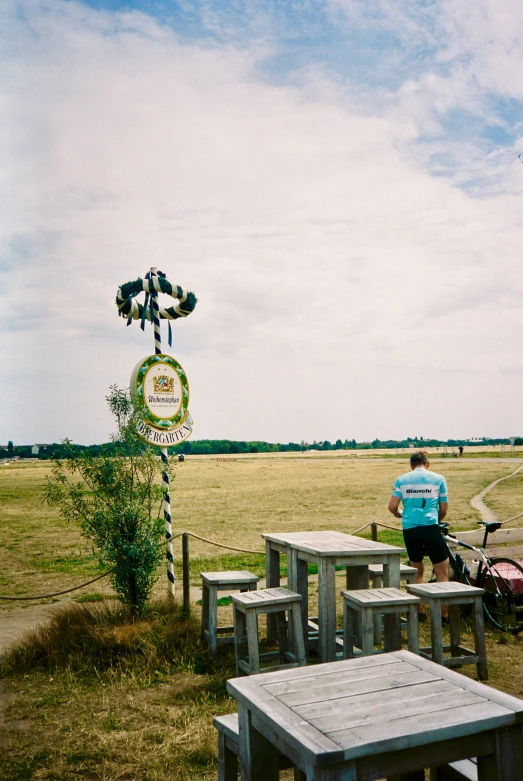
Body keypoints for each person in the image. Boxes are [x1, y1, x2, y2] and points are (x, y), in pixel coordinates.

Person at [388, 450, 449, 618]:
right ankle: (443, 615)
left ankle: (419, 611)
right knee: (442, 573)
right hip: (430, 527)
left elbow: (392, 506)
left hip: (410, 529)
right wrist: (436, 518)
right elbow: (443, 509)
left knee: (416, 570)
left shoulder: (402, 480)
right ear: (427, 464)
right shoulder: (439, 479)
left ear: (411, 465)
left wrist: (398, 514)